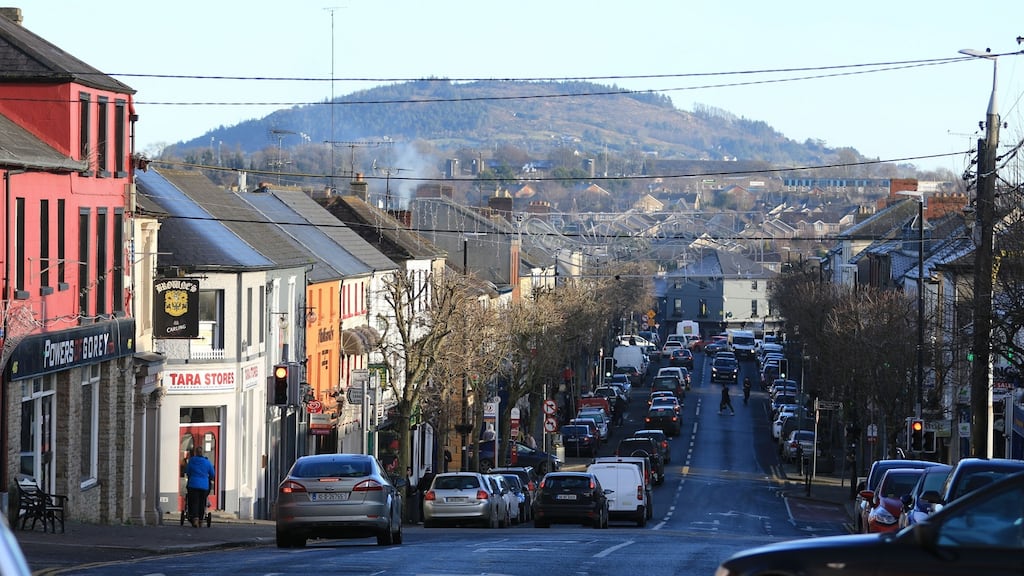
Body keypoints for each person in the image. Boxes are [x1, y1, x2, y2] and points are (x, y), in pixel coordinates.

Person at [184, 447, 215, 528]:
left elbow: (187, 471)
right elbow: (212, 474)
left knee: (194, 502)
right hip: (204, 486)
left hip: (193, 485)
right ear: (202, 453)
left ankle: (195, 519)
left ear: (196, 453)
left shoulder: (192, 461)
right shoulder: (207, 462)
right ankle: (201, 519)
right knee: (202, 502)